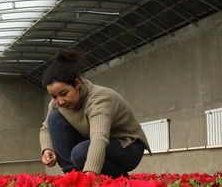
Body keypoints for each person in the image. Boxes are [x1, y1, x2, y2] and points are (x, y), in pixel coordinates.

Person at [40, 49, 151, 178]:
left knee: (80, 153)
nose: (60, 101)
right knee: (55, 117)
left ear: (77, 83)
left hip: (128, 148)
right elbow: (46, 128)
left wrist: (89, 175)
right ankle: (71, 177)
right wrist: (47, 149)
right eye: (54, 96)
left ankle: (118, 178)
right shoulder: (57, 103)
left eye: (64, 93)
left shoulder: (99, 100)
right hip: (95, 144)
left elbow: (99, 138)